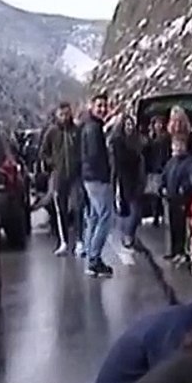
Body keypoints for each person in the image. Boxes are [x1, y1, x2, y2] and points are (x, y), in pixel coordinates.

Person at [40, 102, 83, 256]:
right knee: (61, 210)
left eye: (67, 114)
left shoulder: (77, 131)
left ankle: (80, 241)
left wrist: (80, 163)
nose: (65, 117)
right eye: (62, 114)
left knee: (78, 208)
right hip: (59, 176)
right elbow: (43, 152)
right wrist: (53, 163)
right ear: (57, 115)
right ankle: (64, 242)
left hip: (76, 175)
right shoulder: (52, 132)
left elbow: (82, 149)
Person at [79, 91, 115, 277]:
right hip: (97, 178)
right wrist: (105, 174)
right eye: (98, 105)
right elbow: (95, 156)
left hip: (89, 177)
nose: (102, 109)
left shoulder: (90, 125)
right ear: (91, 107)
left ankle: (88, 251)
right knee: (106, 217)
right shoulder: (93, 128)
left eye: (104, 105)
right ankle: (94, 259)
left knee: (93, 216)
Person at [110, 114, 146, 251]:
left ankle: (129, 234)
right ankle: (128, 235)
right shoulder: (118, 141)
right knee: (132, 209)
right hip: (125, 179)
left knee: (135, 210)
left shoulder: (137, 140)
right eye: (127, 125)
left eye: (131, 124)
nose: (130, 127)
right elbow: (121, 160)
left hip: (138, 177)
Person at [160, 136, 192, 265]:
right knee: (173, 225)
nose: (176, 148)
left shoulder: (189, 162)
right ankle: (174, 250)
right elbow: (164, 175)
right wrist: (162, 187)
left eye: (178, 146)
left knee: (181, 226)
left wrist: (184, 188)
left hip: (182, 199)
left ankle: (181, 252)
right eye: (174, 146)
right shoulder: (171, 162)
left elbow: (191, 178)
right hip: (171, 197)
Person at [143, 116, 171, 227]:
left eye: (160, 123)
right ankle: (156, 216)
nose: (158, 126)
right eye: (156, 124)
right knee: (154, 195)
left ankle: (162, 216)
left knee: (162, 194)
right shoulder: (150, 138)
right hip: (154, 168)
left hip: (162, 168)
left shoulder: (166, 138)